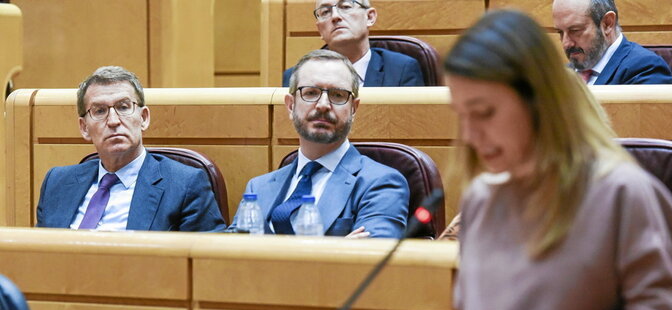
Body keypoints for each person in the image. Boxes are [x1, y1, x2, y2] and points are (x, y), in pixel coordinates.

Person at [381, 9, 672, 310]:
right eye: (462, 116)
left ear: (539, 100)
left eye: (486, 112)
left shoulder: (622, 193)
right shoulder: (483, 197)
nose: (471, 136)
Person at [235, 50, 409, 238]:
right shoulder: (258, 188)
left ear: (353, 108)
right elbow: (225, 259)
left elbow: (371, 261)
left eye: (337, 95)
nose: (323, 105)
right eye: (311, 93)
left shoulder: (381, 183)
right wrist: (338, 247)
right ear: (291, 105)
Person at [36, 66, 226, 232]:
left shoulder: (185, 185)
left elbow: (208, 263)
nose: (113, 121)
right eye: (100, 111)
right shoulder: (57, 183)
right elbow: (37, 255)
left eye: (124, 107)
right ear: (84, 128)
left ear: (143, 118)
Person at [282, 0, 425, 87]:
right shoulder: (296, 76)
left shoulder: (402, 70)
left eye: (345, 6)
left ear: (370, 17)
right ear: (320, 29)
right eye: (325, 12)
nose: (335, 16)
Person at [552, 0, 672, 84]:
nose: (566, 43)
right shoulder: (559, 76)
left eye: (575, 30)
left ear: (607, 24)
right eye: (560, 33)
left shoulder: (645, 69)